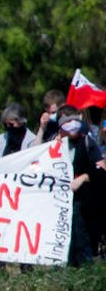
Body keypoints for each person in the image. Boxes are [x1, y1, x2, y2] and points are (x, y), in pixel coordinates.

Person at [53, 105, 101, 264]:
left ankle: (84, 271)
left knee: (81, 238)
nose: (72, 125)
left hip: (82, 200)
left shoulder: (87, 142)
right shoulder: (53, 145)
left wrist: (82, 178)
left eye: (75, 120)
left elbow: (100, 168)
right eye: (68, 121)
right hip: (58, 200)